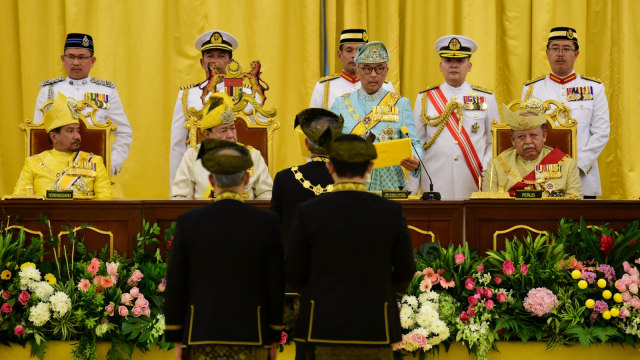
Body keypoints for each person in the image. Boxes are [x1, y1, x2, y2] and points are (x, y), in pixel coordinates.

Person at [286, 130, 415, 360]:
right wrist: (385, 293)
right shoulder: (390, 212)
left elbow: (294, 271)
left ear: (330, 167)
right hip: (375, 327)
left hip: (322, 327)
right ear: (369, 167)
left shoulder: (309, 212)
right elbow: (406, 269)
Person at [165, 138, 284, 360]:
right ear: (247, 179)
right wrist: (274, 334)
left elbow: (176, 283)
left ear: (211, 180)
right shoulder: (266, 223)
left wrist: (175, 335)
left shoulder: (189, 222)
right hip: (252, 335)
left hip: (201, 334)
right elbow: (274, 283)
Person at [522, 27, 609, 199]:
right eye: (555, 48)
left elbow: (601, 132)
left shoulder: (594, 88)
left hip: (583, 179)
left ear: (576, 54)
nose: (560, 54)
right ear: (547, 53)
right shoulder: (532, 89)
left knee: (582, 225)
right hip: (541, 179)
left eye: (566, 49)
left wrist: (576, 167)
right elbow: (526, 132)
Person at [411, 35, 499, 200]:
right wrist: (412, 189)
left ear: (469, 66)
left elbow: (494, 142)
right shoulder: (425, 98)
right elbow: (417, 143)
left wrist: (486, 169)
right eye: (448, 60)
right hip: (434, 181)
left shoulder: (486, 98)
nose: (453, 65)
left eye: (460, 61)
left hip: (473, 179)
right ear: (440, 65)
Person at [34, 33, 132, 176]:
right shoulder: (49, 90)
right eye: (71, 56)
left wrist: (111, 165)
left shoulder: (107, 91)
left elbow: (124, 132)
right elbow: (39, 134)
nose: (75, 62)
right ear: (63, 59)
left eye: (81, 57)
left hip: (93, 172)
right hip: (55, 173)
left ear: (92, 61)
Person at [330, 41, 421, 192]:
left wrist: (416, 160)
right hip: (352, 186)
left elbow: (414, 143)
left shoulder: (400, 104)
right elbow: (330, 145)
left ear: (387, 70)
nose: (373, 75)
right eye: (367, 69)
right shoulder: (341, 104)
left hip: (390, 185)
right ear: (357, 71)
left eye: (379, 69)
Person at [171, 92, 272, 200]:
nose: (230, 135)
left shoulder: (252, 155)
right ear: (208, 135)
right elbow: (180, 197)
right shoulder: (192, 156)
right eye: (223, 130)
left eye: (232, 128)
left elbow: (267, 194)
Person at [170, 30, 239, 183]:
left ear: (230, 62)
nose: (215, 62)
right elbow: (178, 145)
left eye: (221, 56)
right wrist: (175, 194)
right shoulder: (187, 96)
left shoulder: (247, 94)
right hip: (199, 173)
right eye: (210, 56)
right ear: (202, 62)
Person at [15, 92, 112, 199]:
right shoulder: (34, 163)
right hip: (44, 216)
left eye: (78, 131)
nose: (77, 136)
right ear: (54, 137)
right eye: (70, 131)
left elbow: (104, 202)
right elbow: (19, 201)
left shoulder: (94, 161)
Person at [482, 98, 583, 198]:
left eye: (533, 135)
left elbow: (574, 205)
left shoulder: (566, 164)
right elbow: (488, 205)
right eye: (521, 137)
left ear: (544, 136)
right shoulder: (496, 165)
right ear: (513, 140)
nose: (528, 141)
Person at [271, 108, 343, 246]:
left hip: (293, 264)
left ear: (306, 144)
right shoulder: (349, 179)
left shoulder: (284, 178)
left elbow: (275, 229)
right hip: (335, 265)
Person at [309, 29, 394, 109]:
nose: (354, 55)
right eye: (349, 51)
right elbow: (312, 123)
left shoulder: (385, 86)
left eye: (359, 50)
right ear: (339, 55)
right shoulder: (324, 87)